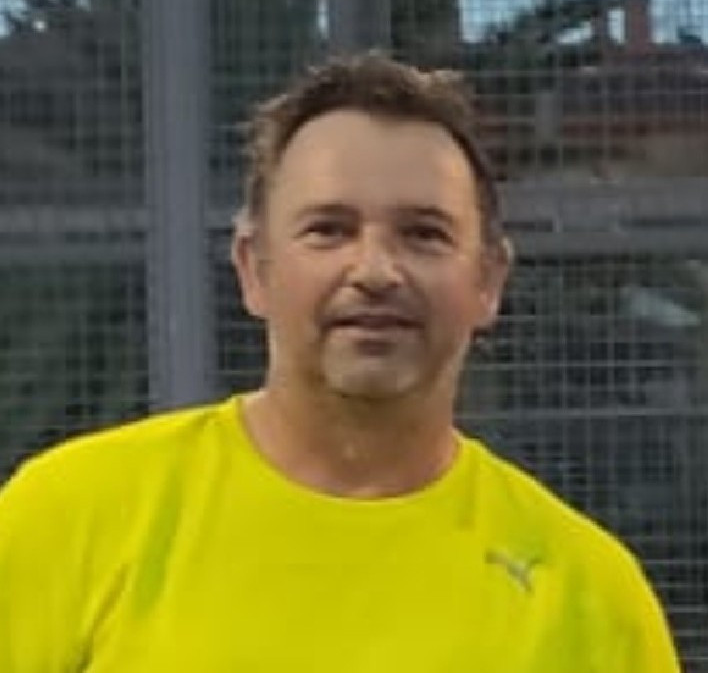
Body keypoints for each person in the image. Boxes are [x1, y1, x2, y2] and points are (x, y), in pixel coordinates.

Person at [0, 53, 680, 672]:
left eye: (423, 234)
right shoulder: (69, 518)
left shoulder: (589, 596)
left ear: (488, 280)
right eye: (328, 230)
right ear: (254, 268)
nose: (375, 270)